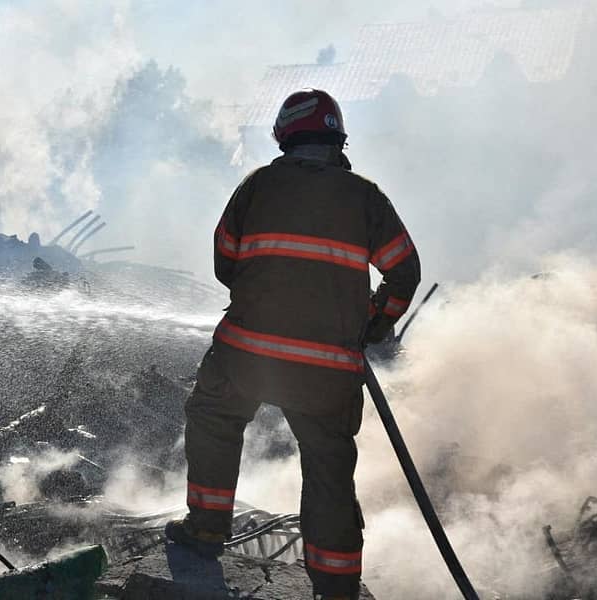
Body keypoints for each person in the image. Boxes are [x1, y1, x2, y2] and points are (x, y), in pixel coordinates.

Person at [165, 89, 421, 600]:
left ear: (285, 136)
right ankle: (336, 580)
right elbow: (404, 272)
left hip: (246, 354)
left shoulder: (258, 186)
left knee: (215, 419)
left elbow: (224, 261)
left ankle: (207, 528)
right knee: (328, 465)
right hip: (326, 370)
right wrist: (374, 323)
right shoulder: (366, 197)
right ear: (337, 139)